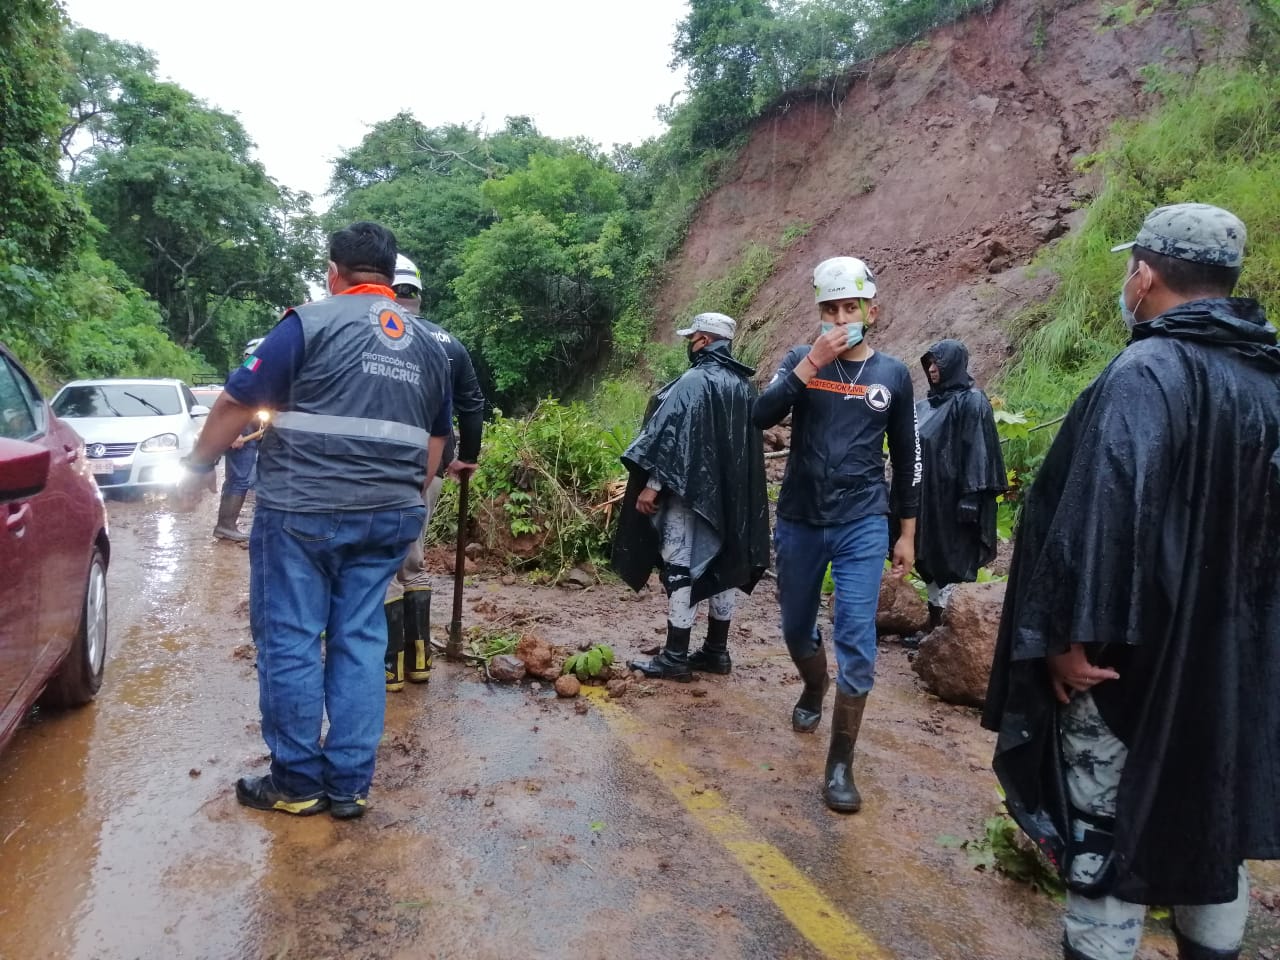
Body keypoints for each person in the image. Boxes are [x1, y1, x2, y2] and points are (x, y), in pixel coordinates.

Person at [982, 203, 1280, 960]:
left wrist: (1063, 640)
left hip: (1129, 673)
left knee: (1107, 839)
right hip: (1231, 672)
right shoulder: (1268, 381)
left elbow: (1103, 517)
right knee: (1211, 827)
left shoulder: (1147, 370)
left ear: (1143, 275)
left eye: (1128, 270)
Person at [180, 221, 453, 819]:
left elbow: (234, 402)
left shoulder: (309, 322)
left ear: (334, 271)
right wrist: (405, 492)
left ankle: (298, 784)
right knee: (360, 639)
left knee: (292, 641)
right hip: (390, 518)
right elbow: (439, 440)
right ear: (389, 274)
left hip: (302, 513)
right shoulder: (432, 345)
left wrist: (199, 466)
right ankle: (349, 786)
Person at [753, 256, 920, 813]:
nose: (842, 317)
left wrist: (907, 533)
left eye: (851, 307)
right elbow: (760, 415)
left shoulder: (893, 375)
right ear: (819, 313)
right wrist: (809, 366)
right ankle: (812, 685)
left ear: (870, 310)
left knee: (856, 636)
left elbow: (908, 458)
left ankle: (840, 763)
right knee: (797, 627)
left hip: (862, 522)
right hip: (800, 517)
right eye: (831, 309)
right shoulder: (801, 360)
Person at [612, 312, 770, 681]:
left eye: (691, 339)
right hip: (732, 498)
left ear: (702, 340)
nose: (689, 345)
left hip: (691, 495)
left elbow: (671, 438)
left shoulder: (694, 381)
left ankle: (675, 656)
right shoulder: (745, 387)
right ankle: (716, 651)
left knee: (680, 565)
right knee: (724, 564)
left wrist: (652, 487)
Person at [382, 254, 485, 692]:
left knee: (383, 566)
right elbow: (472, 404)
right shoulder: (449, 344)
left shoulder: (376, 334)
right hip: (433, 466)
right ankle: (420, 659)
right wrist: (467, 458)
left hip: (377, 467)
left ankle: (390, 664)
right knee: (414, 559)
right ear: (420, 295)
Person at [905, 338, 1005, 644]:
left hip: (956, 503)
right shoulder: (926, 406)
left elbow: (979, 450)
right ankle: (934, 628)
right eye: (929, 364)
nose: (932, 370)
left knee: (953, 562)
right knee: (930, 560)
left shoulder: (972, 402)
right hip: (928, 500)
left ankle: (951, 634)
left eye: (938, 364)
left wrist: (972, 496)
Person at [212, 338, 268, 542]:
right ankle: (225, 526)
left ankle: (229, 525)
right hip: (241, 432)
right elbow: (229, 406)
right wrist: (233, 433)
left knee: (247, 479)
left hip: (254, 432)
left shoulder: (261, 375)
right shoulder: (241, 375)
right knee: (240, 479)